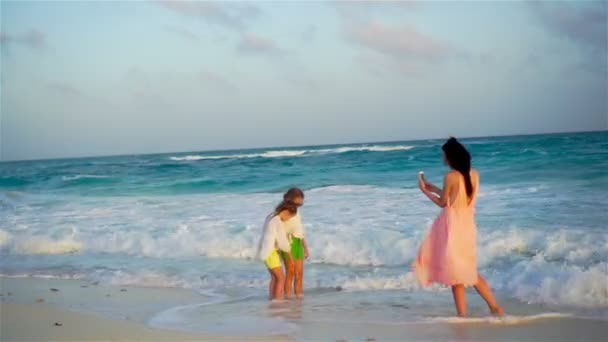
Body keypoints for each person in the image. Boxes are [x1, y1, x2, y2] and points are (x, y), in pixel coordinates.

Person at [414, 137, 503, 317]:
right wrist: (433, 188)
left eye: (444, 155)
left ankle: (466, 315)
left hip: (452, 227)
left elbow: (443, 203)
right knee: (465, 270)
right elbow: (457, 198)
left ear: (451, 156)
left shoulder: (451, 176)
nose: (443, 158)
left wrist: (424, 191)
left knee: (457, 273)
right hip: (467, 225)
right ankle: (494, 309)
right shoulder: (474, 174)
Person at [257, 200, 297, 300]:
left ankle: (272, 299)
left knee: (275, 278)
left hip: (266, 251)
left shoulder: (270, 216)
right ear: (286, 212)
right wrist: (290, 256)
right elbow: (282, 241)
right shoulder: (277, 221)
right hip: (270, 252)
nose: (287, 220)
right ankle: (278, 301)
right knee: (281, 278)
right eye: (289, 217)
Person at [280, 188, 309, 299]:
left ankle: (299, 298)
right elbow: (279, 231)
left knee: (299, 274)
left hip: (298, 243)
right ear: (290, 199)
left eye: (300, 204)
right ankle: (287, 299)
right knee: (290, 272)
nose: (299, 206)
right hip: (288, 244)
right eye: (298, 203)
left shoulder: (297, 212)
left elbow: (299, 231)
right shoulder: (283, 212)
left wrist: (305, 247)